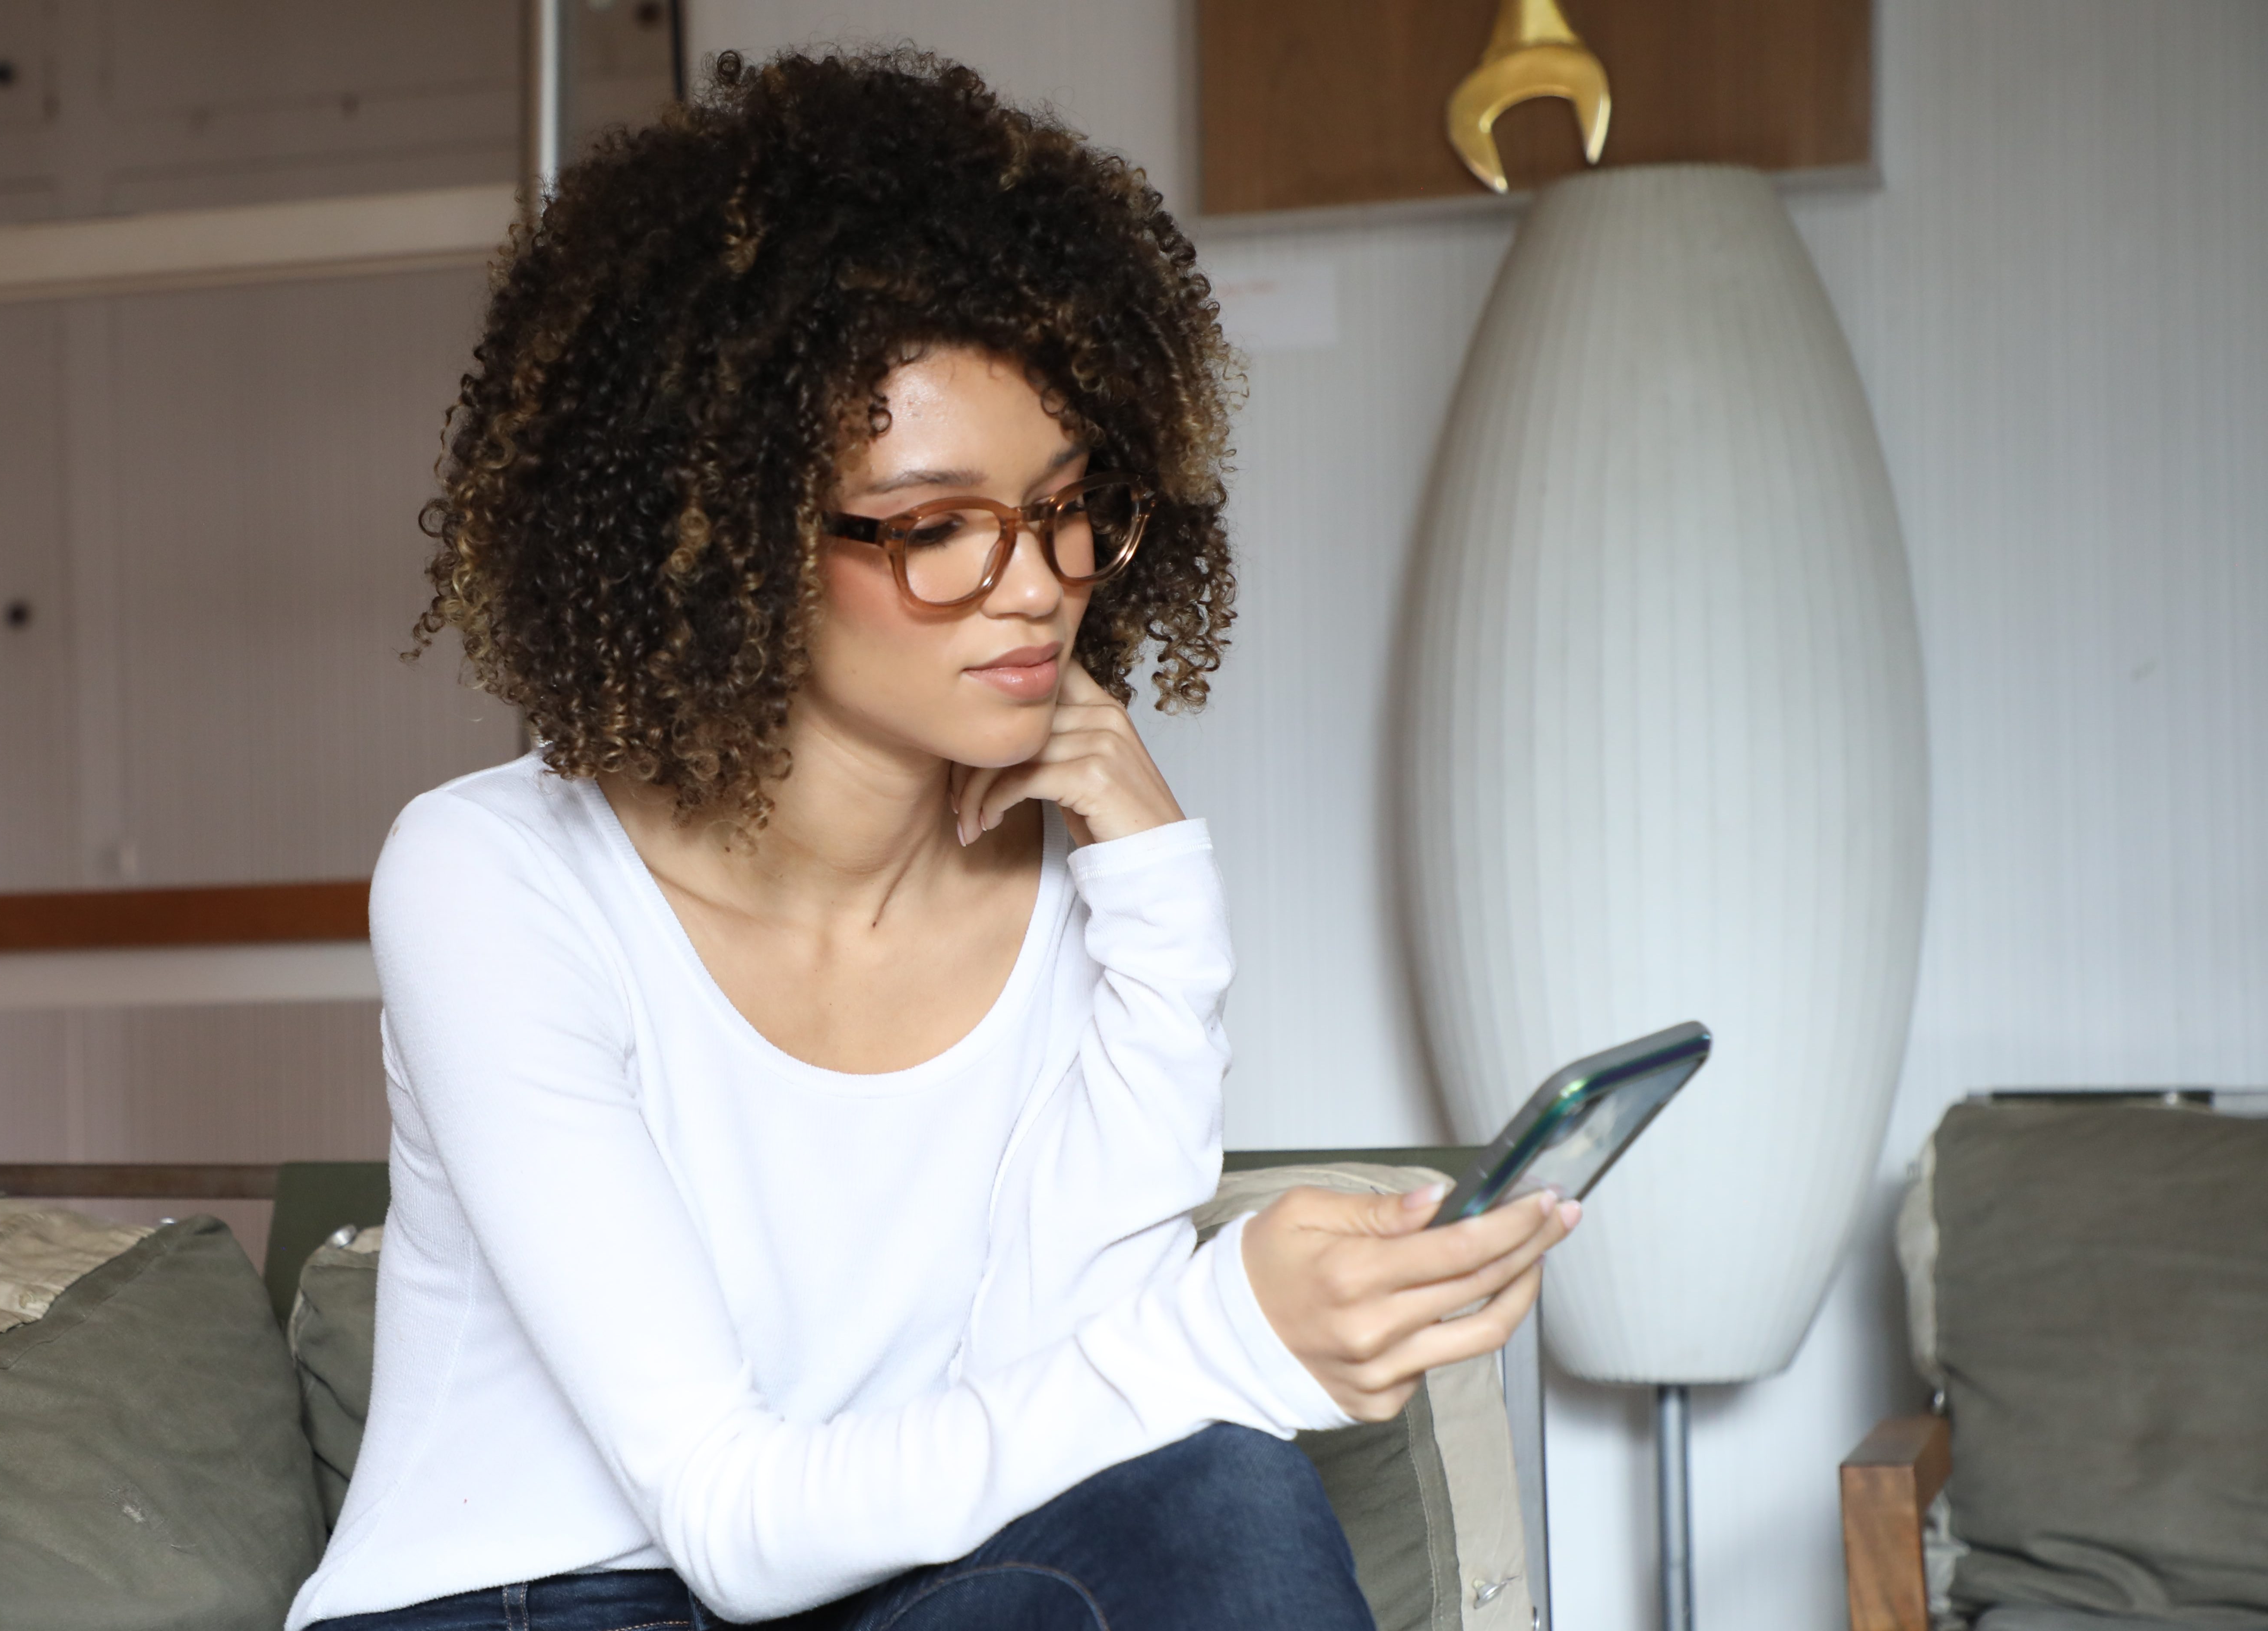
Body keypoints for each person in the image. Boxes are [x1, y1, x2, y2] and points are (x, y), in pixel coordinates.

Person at [288, 48, 1576, 1631]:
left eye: (1064, 505)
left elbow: (1048, 1403)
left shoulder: (1062, 882)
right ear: (735, 533)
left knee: (1221, 1485)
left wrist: (1162, 894)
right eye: (939, 528)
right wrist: (1232, 1326)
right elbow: (733, 1519)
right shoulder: (492, 876)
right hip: (526, 1609)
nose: (1036, 584)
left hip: (870, 1591)